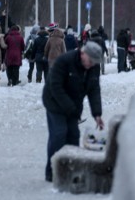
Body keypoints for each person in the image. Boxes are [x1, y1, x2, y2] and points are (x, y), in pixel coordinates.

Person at [42, 41, 104, 182]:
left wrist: (97, 114)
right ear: (83, 53)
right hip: (54, 102)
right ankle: (52, 170)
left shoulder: (93, 68)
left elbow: (94, 90)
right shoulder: (64, 61)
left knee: (73, 135)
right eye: (90, 61)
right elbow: (55, 86)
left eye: (95, 62)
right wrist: (70, 108)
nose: (92, 64)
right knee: (59, 134)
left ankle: (72, 169)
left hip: (73, 105)